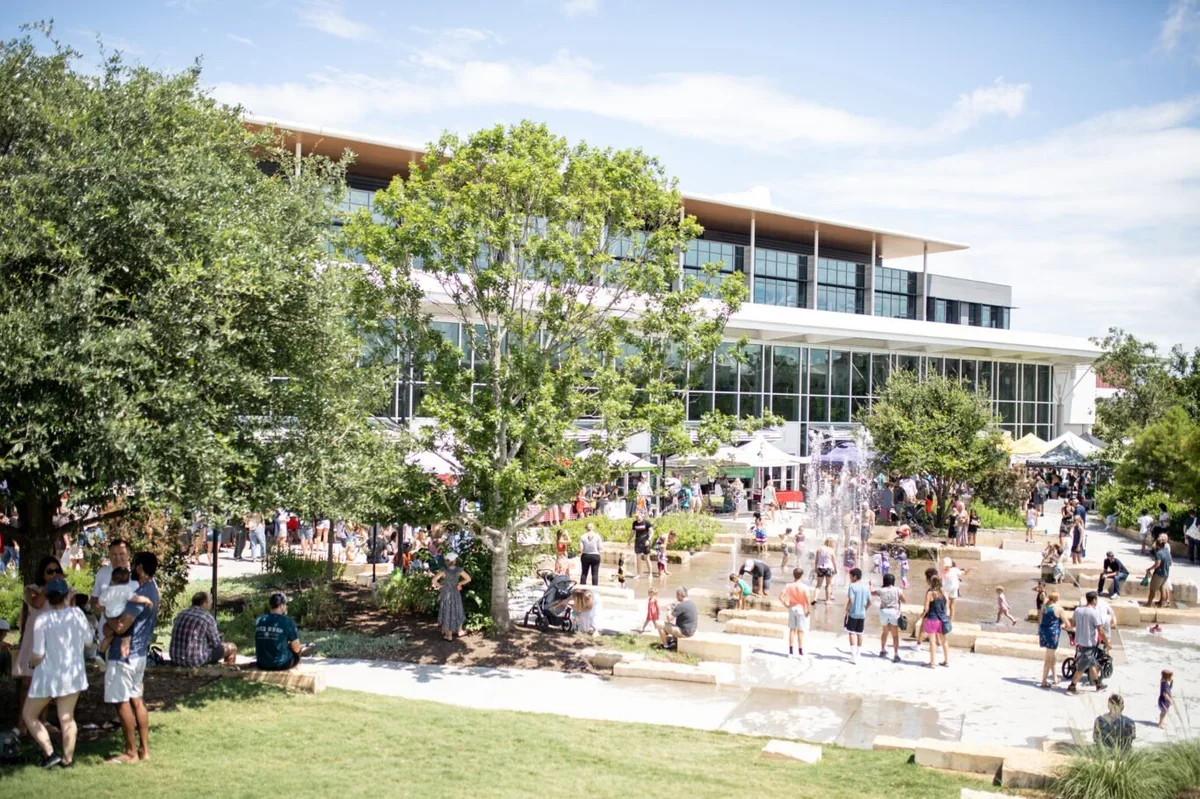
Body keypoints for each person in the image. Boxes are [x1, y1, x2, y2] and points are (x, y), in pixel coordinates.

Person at [22, 577, 90, 769]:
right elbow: (88, 642)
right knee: (67, 717)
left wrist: (31, 663)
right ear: (67, 594)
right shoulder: (77, 614)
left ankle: (50, 753)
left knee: (29, 715)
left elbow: (38, 653)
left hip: (48, 676)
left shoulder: (42, 620)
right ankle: (67, 761)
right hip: (73, 674)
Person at [102, 551, 160, 764]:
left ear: (139, 567)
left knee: (121, 701)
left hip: (124, 656)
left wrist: (106, 618)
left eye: (133, 564)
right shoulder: (153, 590)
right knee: (137, 699)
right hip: (140, 655)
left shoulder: (141, 594)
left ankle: (130, 753)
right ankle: (145, 750)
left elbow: (121, 626)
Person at [14, 556, 63, 736]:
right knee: (28, 683)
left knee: (47, 683)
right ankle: (22, 723)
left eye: (57, 570)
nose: (54, 574)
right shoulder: (32, 589)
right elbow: (36, 603)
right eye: (49, 571)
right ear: (42, 573)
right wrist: (49, 586)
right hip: (33, 641)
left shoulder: (63, 591)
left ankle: (42, 721)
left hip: (52, 642)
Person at [170, 592, 237, 667]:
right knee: (232, 647)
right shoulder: (207, 618)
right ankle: (228, 672)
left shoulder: (181, 614)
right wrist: (220, 637)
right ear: (204, 603)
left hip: (175, 658)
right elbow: (216, 644)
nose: (211, 603)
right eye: (210, 601)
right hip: (194, 660)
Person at [255, 593, 312, 670]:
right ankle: (295, 673)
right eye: (286, 604)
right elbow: (296, 648)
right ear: (281, 606)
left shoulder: (260, 620)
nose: (286, 607)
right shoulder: (288, 621)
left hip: (261, 664)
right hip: (280, 664)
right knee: (297, 653)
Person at [1066, 591, 1108, 695]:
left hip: (1080, 642)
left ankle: (1098, 684)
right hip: (1089, 643)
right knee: (1082, 667)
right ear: (1094, 600)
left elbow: (1072, 623)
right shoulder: (1094, 612)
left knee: (1091, 663)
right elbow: (1101, 630)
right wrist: (1107, 642)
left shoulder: (1078, 610)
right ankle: (1072, 686)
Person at [431, 551, 471, 641]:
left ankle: (449, 635)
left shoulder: (444, 570)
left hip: (446, 593)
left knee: (448, 611)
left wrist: (440, 586)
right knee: (457, 609)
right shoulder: (459, 570)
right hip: (455, 592)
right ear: (455, 561)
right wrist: (460, 583)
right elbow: (468, 578)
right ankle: (460, 631)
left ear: (447, 561)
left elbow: (434, 580)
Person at [873, 572, 904, 663]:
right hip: (894, 612)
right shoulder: (897, 589)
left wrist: (870, 585)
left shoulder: (881, 590)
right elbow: (904, 600)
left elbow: (872, 592)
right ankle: (896, 654)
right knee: (895, 635)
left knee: (885, 632)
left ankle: (883, 650)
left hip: (884, 611)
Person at [1038, 589, 1065, 688]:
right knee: (1048, 658)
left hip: (1044, 632)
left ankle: (1055, 678)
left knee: (1052, 655)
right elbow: (1066, 622)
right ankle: (1044, 681)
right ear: (1057, 599)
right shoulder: (1058, 609)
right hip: (1052, 634)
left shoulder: (1045, 607)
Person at [922, 576, 950, 668]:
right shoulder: (945, 593)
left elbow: (926, 608)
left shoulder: (930, 593)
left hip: (932, 619)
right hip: (942, 619)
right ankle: (946, 661)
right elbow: (947, 608)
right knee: (944, 641)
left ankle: (932, 663)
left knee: (932, 641)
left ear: (932, 583)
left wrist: (922, 615)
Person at [844, 568, 870, 664]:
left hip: (853, 613)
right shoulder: (866, 587)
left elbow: (851, 600)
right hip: (862, 614)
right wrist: (865, 609)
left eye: (850, 576)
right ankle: (859, 653)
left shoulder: (852, 586)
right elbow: (870, 602)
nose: (850, 578)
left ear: (855, 576)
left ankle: (853, 655)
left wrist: (847, 609)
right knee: (860, 633)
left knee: (851, 632)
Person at [1145, 537, 1172, 608]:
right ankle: (1161, 605)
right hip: (1166, 574)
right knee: (1162, 589)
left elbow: (1157, 564)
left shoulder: (1158, 553)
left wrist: (1149, 569)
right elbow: (1170, 563)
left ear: (1157, 545)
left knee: (1152, 589)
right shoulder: (1167, 552)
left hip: (1159, 574)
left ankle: (1148, 604)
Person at [940, 557, 970, 622]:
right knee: (946, 604)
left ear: (950, 566)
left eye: (948, 566)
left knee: (952, 606)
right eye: (945, 567)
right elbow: (939, 579)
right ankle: (945, 618)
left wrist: (968, 570)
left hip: (953, 590)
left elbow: (963, 573)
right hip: (946, 590)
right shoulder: (942, 572)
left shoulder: (954, 570)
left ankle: (951, 620)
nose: (947, 568)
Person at [576, 522, 602, 586]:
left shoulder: (582, 536)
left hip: (585, 555)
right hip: (595, 555)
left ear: (586, 528)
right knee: (595, 574)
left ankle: (582, 589)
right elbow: (601, 547)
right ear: (593, 528)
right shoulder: (597, 536)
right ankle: (595, 589)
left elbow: (581, 548)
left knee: (584, 573)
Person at [630, 513, 653, 580]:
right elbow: (633, 532)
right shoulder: (634, 523)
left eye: (638, 516)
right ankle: (638, 574)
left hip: (645, 542)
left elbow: (651, 532)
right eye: (636, 516)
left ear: (641, 516)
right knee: (638, 559)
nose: (637, 518)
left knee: (646, 558)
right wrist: (629, 540)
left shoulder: (646, 522)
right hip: (637, 543)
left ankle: (650, 574)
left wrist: (649, 540)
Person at [814, 537, 836, 603]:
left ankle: (815, 598)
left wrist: (815, 568)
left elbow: (816, 560)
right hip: (829, 568)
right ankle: (827, 600)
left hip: (820, 568)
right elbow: (834, 561)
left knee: (818, 585)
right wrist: (835, 569)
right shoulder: (831, 550)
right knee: (829, 584)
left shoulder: (819, 549)